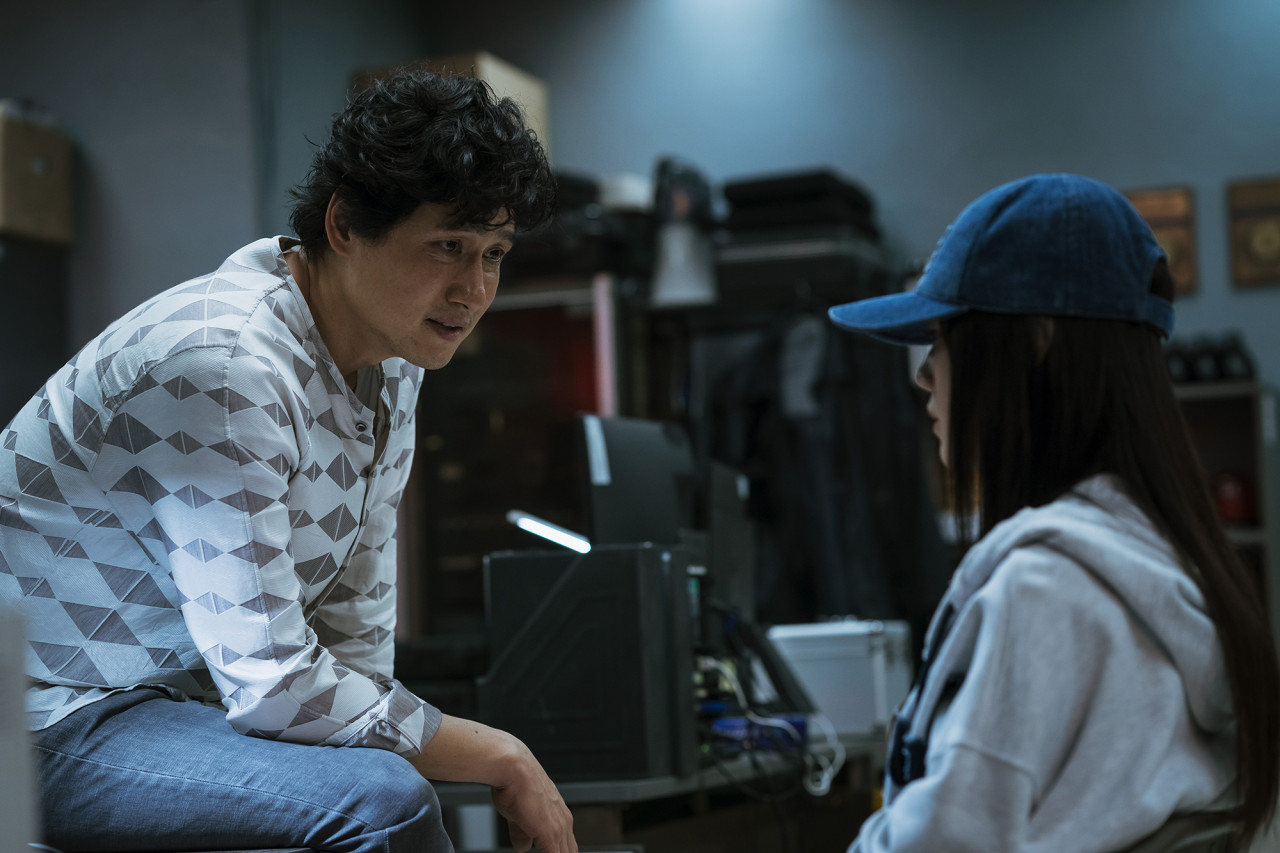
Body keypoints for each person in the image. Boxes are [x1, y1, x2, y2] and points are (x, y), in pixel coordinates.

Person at [0, 68, 575, 853]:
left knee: (379, 777)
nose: (473, 289)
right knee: (384, 803)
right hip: (40, 716)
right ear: (344, 224)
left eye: (494, 253)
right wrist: (500, 754)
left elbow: (354, 647)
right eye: (448, 246)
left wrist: (416, 737)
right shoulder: (226, 363)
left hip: (166, 706)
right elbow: (273, 684)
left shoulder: (392, 363)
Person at [827, 173, 1280, 852]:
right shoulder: (1177, 567)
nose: (923, 375)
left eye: (944, 338)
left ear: (1037, 341)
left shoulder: (1042, 592)